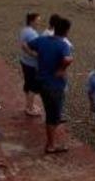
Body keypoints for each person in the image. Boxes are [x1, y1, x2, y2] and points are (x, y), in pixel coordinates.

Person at [27, 15, 74, 154]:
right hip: (54, 85)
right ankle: (51, 145)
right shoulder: (63, 44)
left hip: (42, 81)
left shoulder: (42, 40)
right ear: (66, 31)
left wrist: (36, 55)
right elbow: (67, 59)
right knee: (52, 116)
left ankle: (52, 137)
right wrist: (61, 70)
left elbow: (27, 45)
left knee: (51, 112)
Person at [19, 13, 41, 116]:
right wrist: (33, 54)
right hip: (31, 64)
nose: (39, 22)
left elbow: (23, 45)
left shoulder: (24, 30)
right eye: (38, 20)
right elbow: (25, 46)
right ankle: (30, 108)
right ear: (32, 21)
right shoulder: (32, 34)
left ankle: (28, 105)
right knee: (33, 87)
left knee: (28, 84)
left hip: (24, 61)